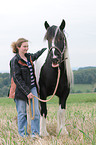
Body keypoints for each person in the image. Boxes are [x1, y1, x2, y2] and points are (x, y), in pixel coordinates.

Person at [9, 38, 47, 137]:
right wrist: (27, 92)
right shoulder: (14, 61)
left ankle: (35, 134)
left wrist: (47, 48)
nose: (26, 48)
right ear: (18, 47)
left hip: (32, 88)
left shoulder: (29, 57)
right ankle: (23, 135)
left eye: (27, 46)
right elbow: (17, 78)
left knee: (36, 112)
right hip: (20, 90)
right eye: (24, 46)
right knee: (22, 113)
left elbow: (37, 54)